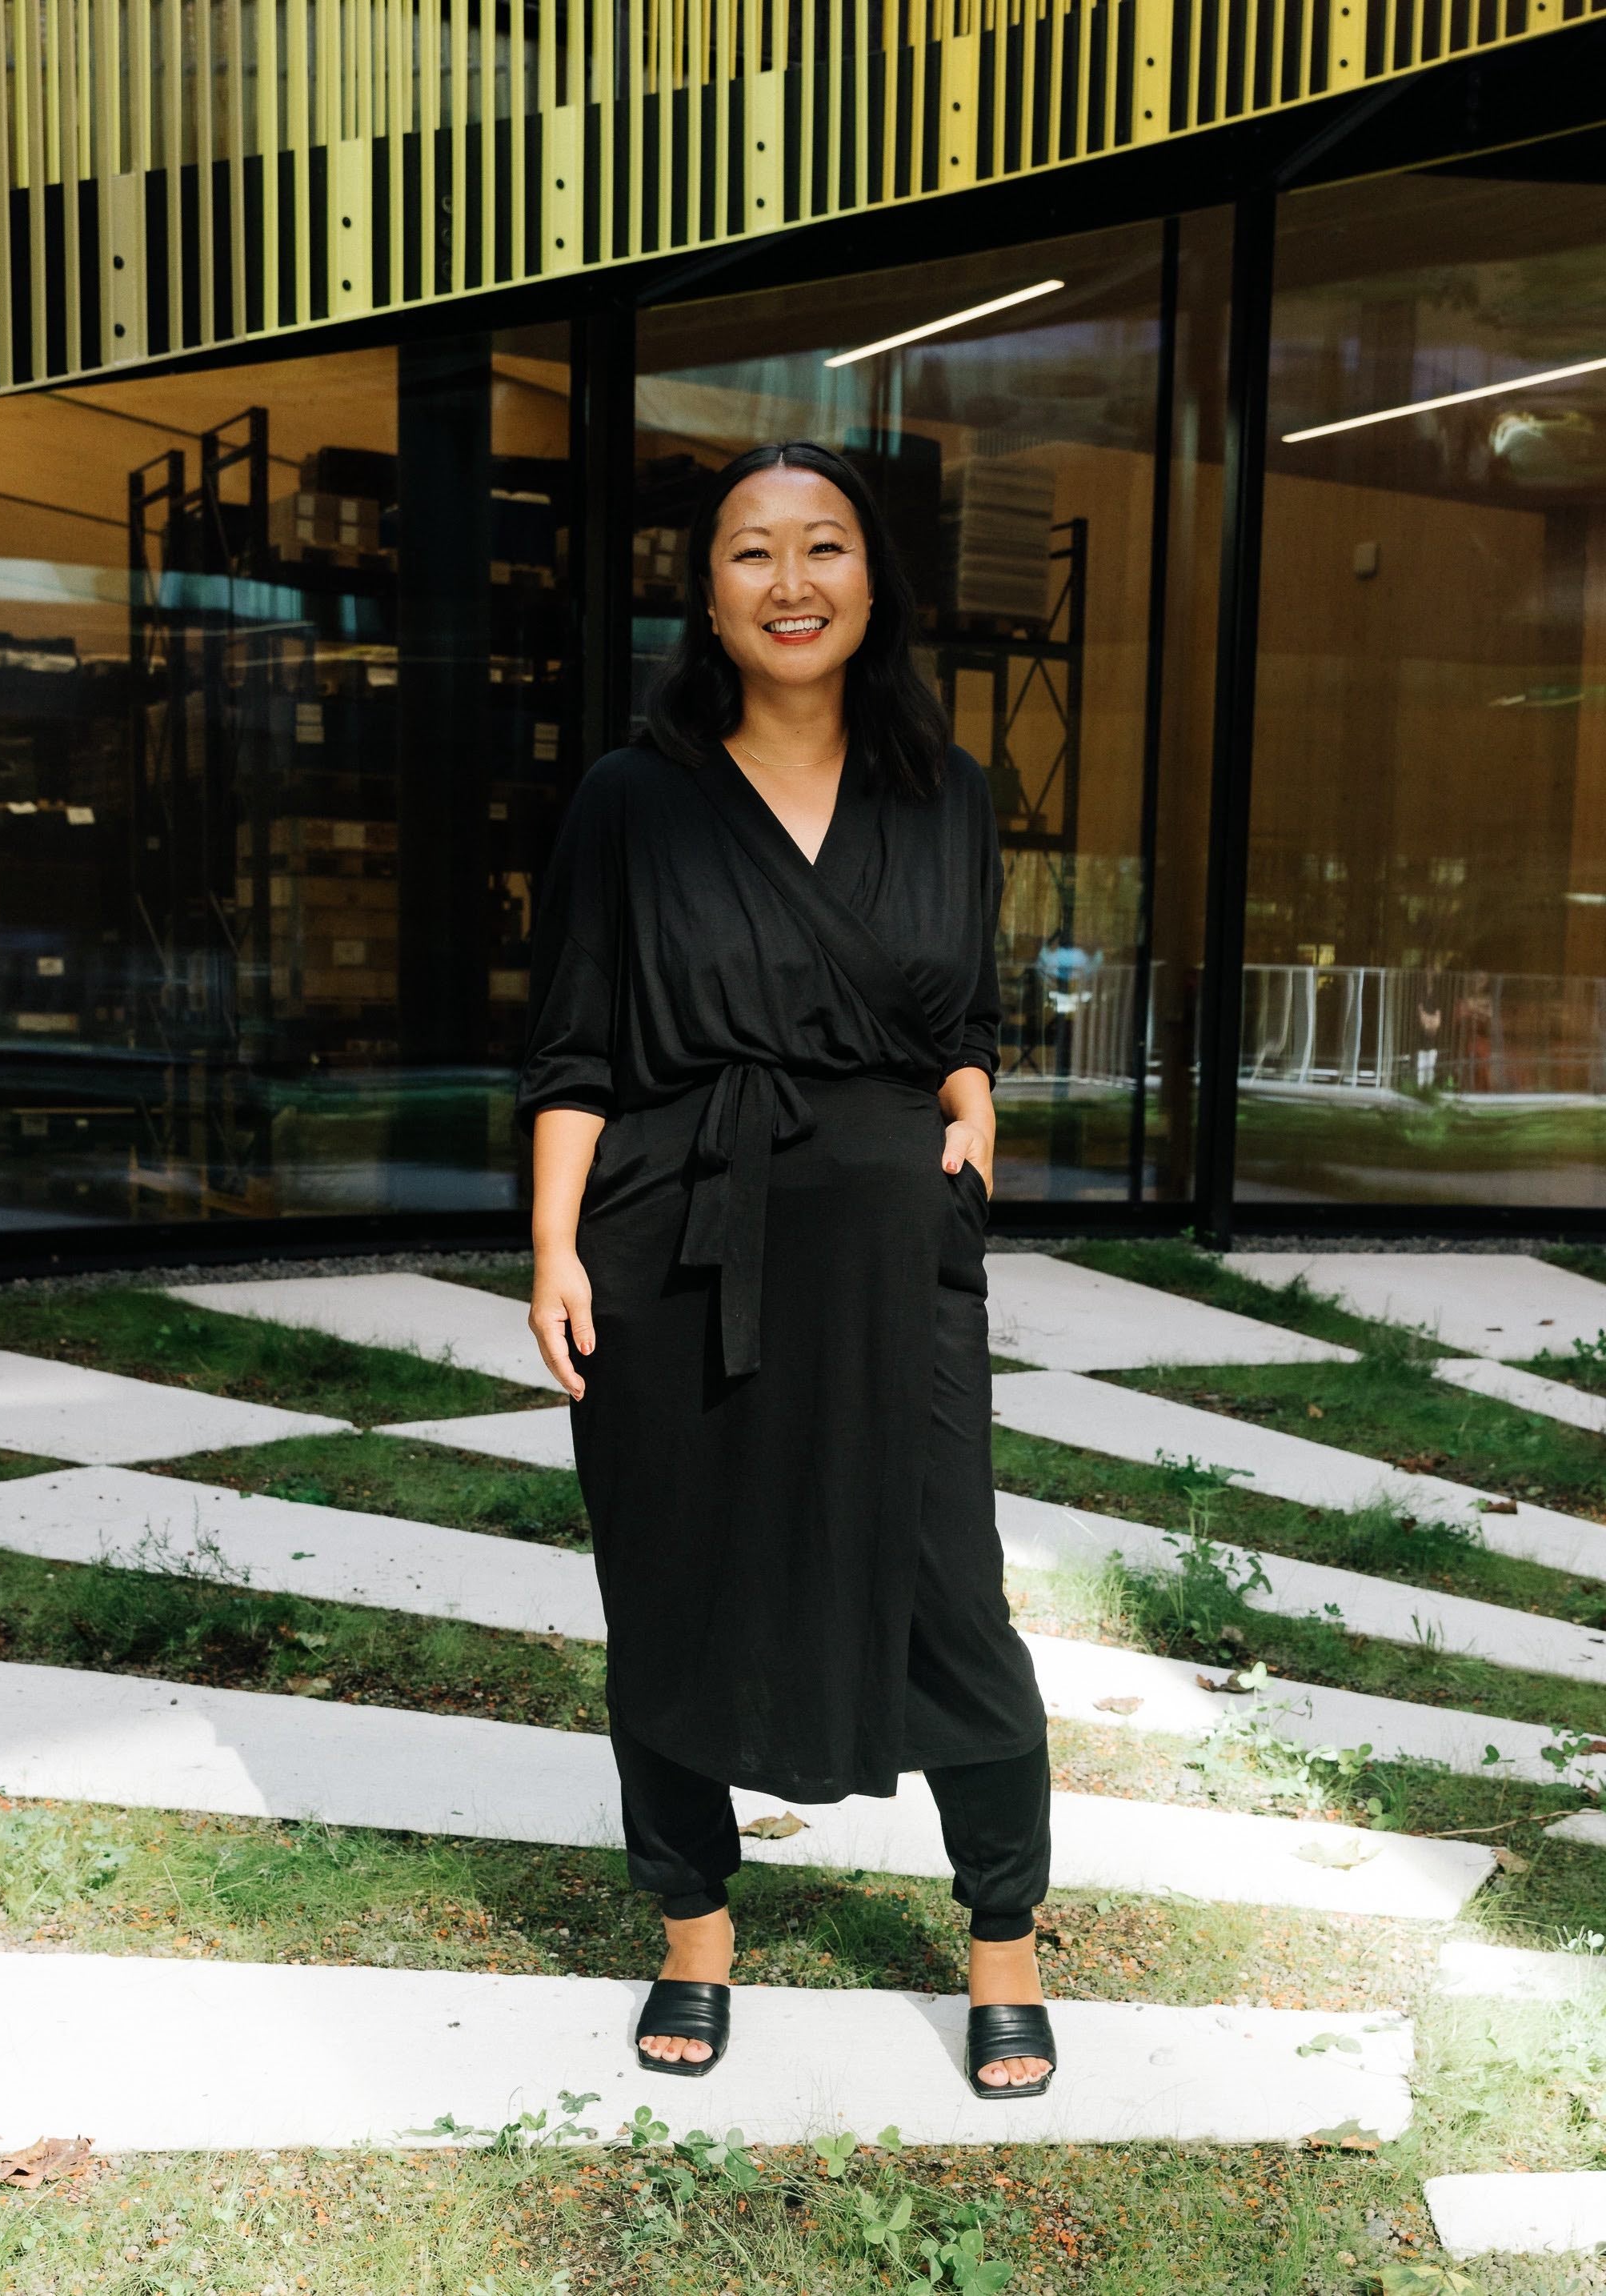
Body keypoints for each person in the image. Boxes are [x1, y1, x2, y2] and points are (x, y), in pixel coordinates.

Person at [516, 440, 1054, 2100]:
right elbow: (579, 1042)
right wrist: (550, 1241)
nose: (793, 581)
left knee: (949, 1589)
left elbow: (951, 1015)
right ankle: (691, 1926)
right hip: (678, 1233)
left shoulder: (943, 791)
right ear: (707, 588)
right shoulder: (632, 793)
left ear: (874, 579)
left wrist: (971, 1095)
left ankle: (1006, 1941)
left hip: (894, 1249)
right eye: (755, 552)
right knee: (671, 1586)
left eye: (825, 547)